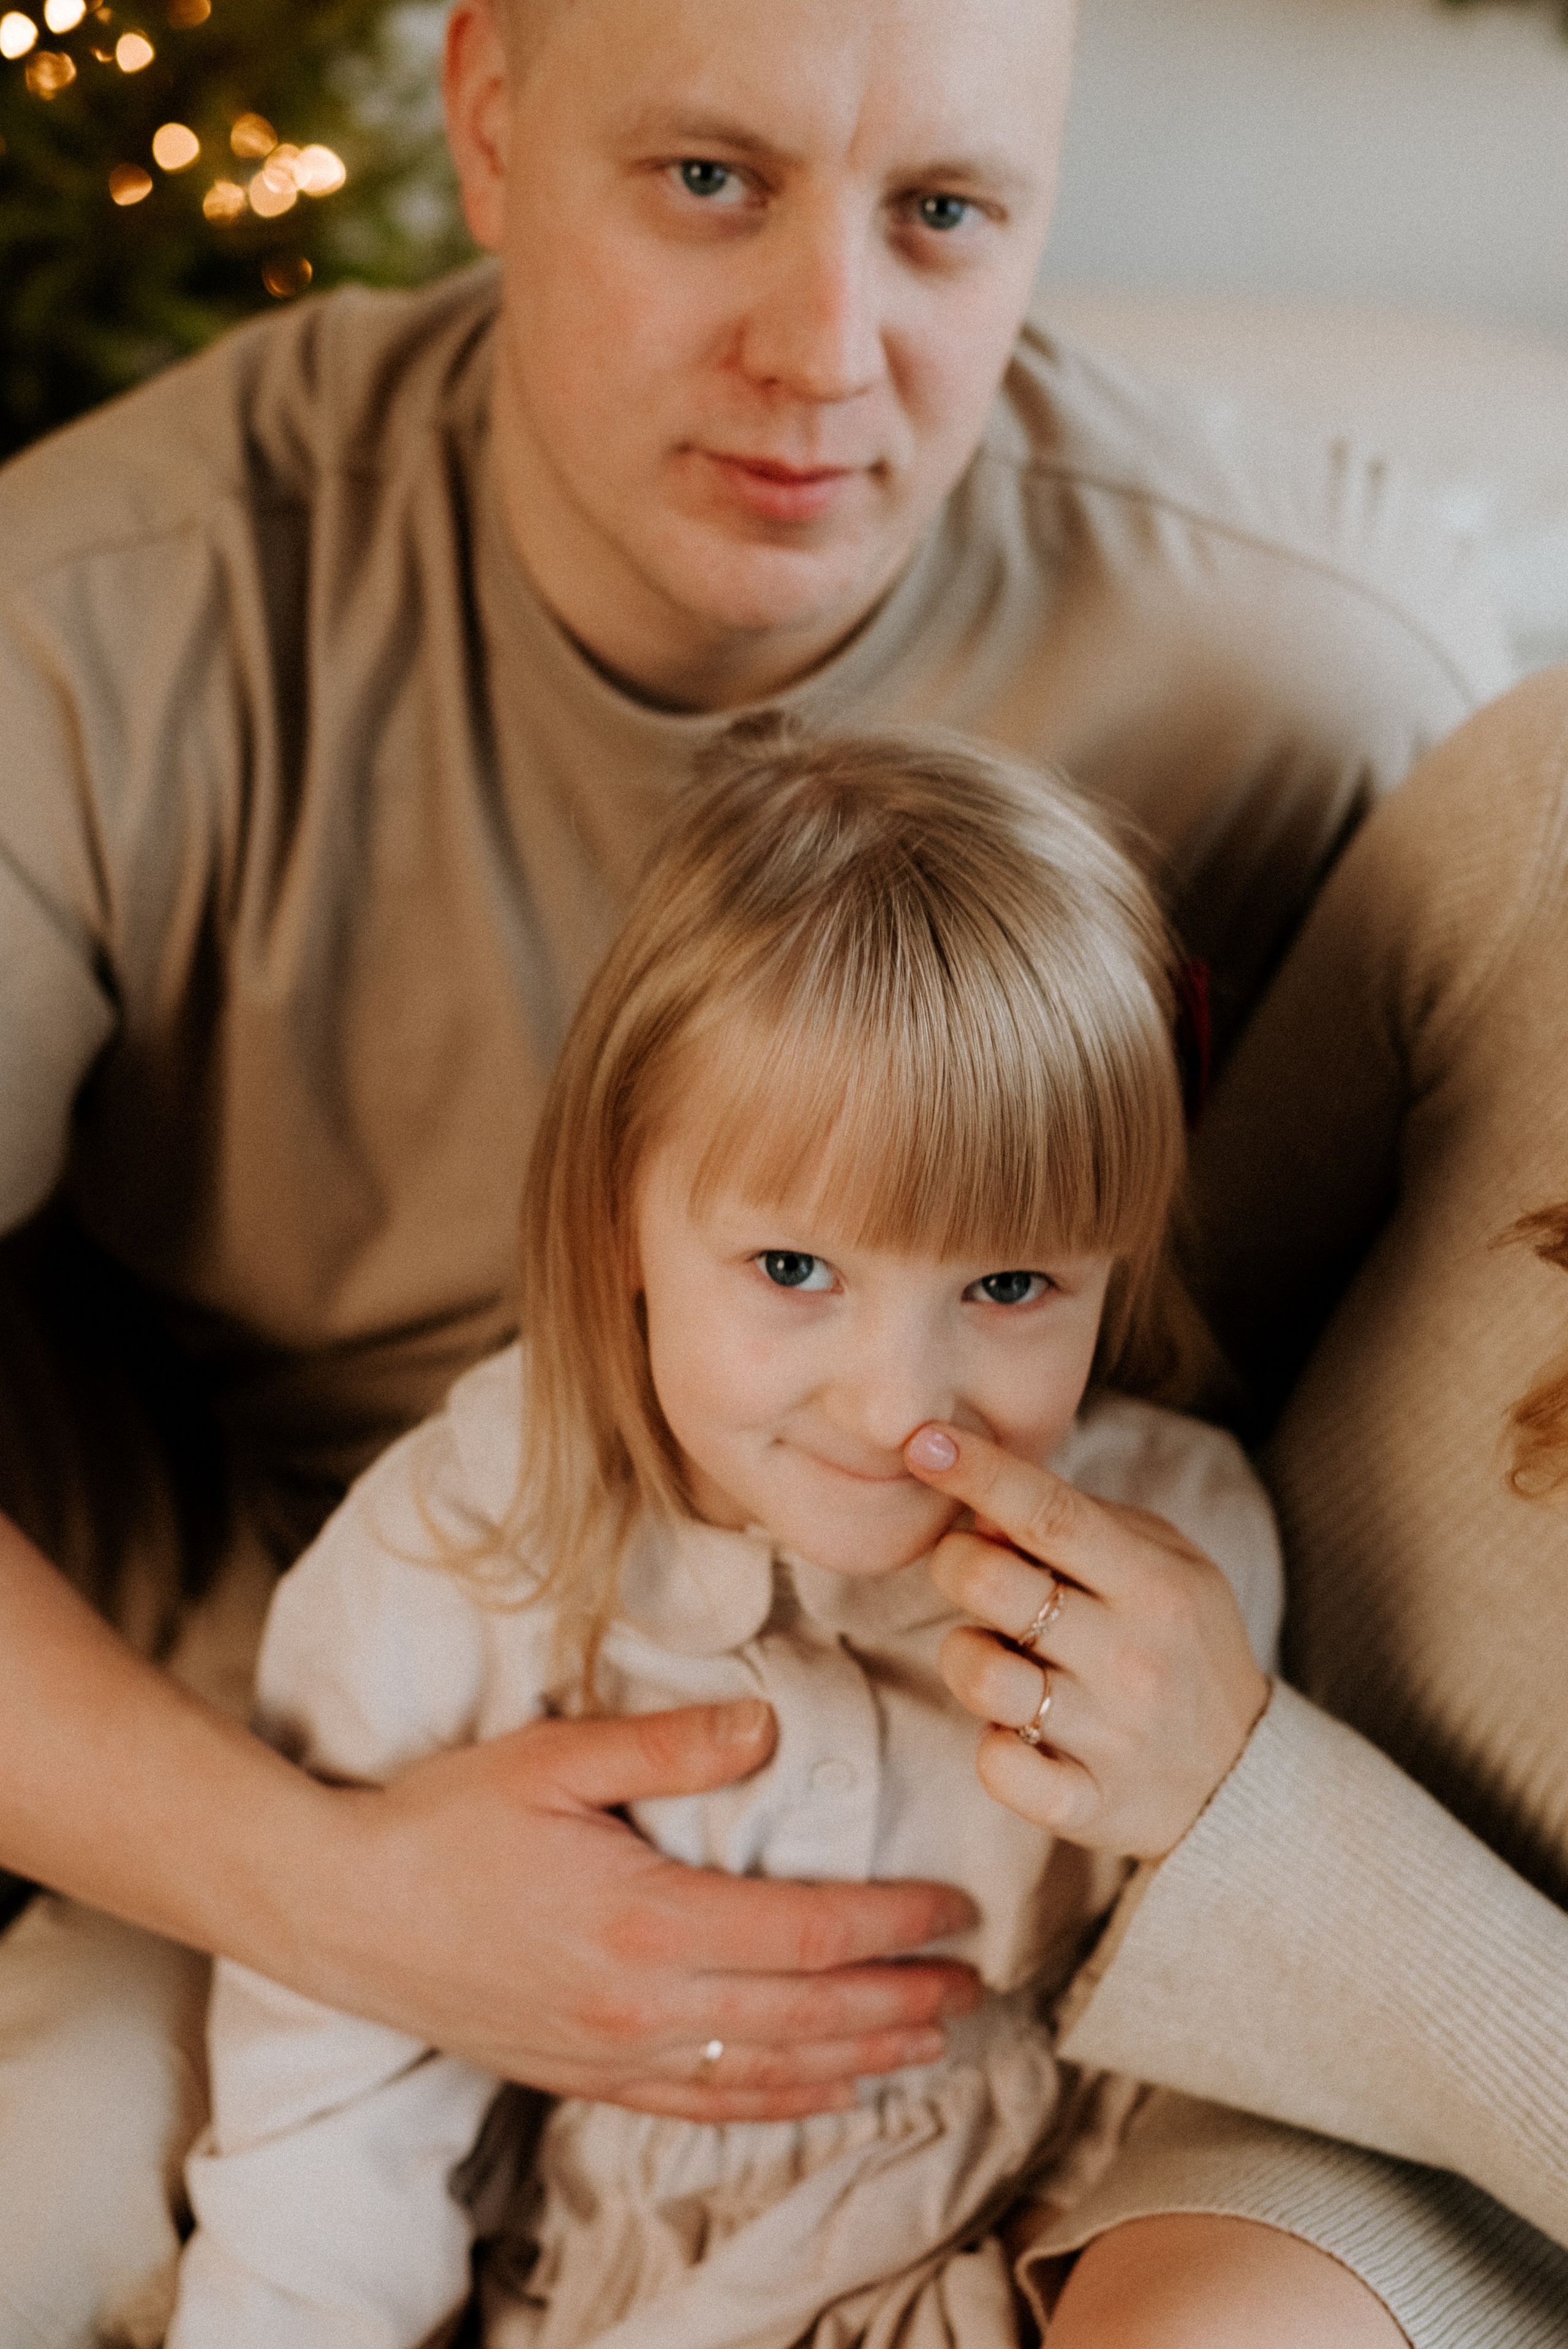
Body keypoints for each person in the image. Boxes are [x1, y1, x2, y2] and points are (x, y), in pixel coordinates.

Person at [0, 0, 1534, 2337]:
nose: (830, 352)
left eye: (944, 216)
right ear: (489, 114)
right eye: (711, 180)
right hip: (222, 1760)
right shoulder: (98, 624)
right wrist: (337, 1891)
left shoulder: (1311, 683)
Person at [168, 729, 1310, 2347]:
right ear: (623, 1209)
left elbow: (1210, 2019)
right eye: (792, 1268)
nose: (895, 1400)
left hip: (1003, 2243)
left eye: (1007, 1285)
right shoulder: (459, 1540)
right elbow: (338, 2071)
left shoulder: (1171, 1555)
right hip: (604, 2275)